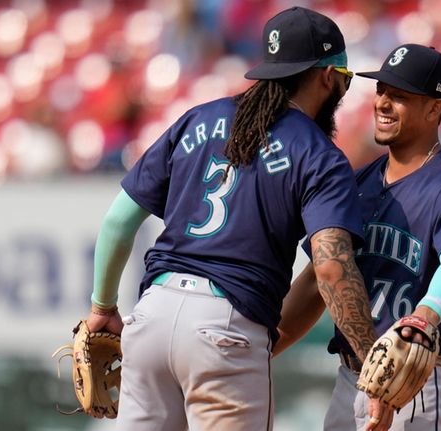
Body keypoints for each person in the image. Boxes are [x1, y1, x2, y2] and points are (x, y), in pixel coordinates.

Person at [83, 6, 378, 430]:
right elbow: (330, 265)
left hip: (150, 316)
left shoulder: (197, 118)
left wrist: (102, 306)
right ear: (328, 77)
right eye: (345, 79)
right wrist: (369, 359)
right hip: (226, 325)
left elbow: (117, 221)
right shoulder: (319, 155)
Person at [275, 44, 441, 430]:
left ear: (435, 108)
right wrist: (262, 350)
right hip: (352, 380)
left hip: (419, 380)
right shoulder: (358, 183)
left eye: (400, 96)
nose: (384, 103)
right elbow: (317, 281)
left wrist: (425, 317)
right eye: (382, 91)